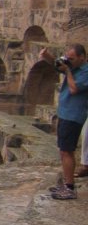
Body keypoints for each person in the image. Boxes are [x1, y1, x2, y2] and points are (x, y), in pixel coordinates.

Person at [39, 44, 88, 199]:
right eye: (68, 58)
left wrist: (67, 71)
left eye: (72, 59)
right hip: (65, 113)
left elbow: (74, 89)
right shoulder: (73, 68)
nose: (69, 62)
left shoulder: (85, 72)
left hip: (74, 115)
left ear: (82, 57)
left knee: (67, 151)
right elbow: (59, 66)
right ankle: (67, 183)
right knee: (63, 150)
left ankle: (69, 187)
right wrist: (48, 57)